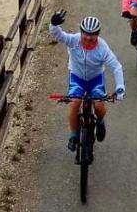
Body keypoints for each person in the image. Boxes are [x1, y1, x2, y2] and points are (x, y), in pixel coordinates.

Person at [49, 10, 125, 151]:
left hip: (95, 79)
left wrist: (120, 87)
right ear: (81, 32)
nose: (89, 38)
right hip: (77, 78)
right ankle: (73, 136)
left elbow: (116, 67)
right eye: (86, 34)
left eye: (93, 34)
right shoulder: (73, 40)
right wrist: (54, 24)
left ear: (98, 34)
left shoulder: (102, 48)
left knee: (99, 106)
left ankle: (100, 121)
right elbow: (58, 35)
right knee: (74, 103)